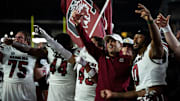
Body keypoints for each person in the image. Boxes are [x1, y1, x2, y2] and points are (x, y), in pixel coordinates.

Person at [100, 3, 169, 101]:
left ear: (147, 39)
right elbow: (139, 91)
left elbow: (156, 41)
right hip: (141, 97)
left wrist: (150, 21)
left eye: (139, 37)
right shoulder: (136, 57)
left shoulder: (152, 51)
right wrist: (114, 95)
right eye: (135, 37)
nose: (135, 40)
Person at [73, 10, 132, 101]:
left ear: (120, 45)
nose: (110, 43)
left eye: (113, 41)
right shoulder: (101, 57)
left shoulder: (128, 60)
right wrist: (78, 25)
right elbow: (88, 43)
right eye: (108, 41)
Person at [4, 26, 76, 101]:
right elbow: (29, 49)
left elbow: (29, 49)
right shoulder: (70, 55)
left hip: (66, 95)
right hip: (58, 94)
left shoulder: (71, 56)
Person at [1, 31, 37, 101]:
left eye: (20, 37)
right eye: (16, 37)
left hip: (26, 85)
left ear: (26, 41)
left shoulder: (32, 51)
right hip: (9, 85)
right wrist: (3, 44)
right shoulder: (7, 49)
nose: (16, 39)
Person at [74, 36, 104, 101]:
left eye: (92, 44)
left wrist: (86, 65)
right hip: (79, 98)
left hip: (93, 98)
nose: (88, 46)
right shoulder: (82, 55)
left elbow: (98, 80)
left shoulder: (102, 59)